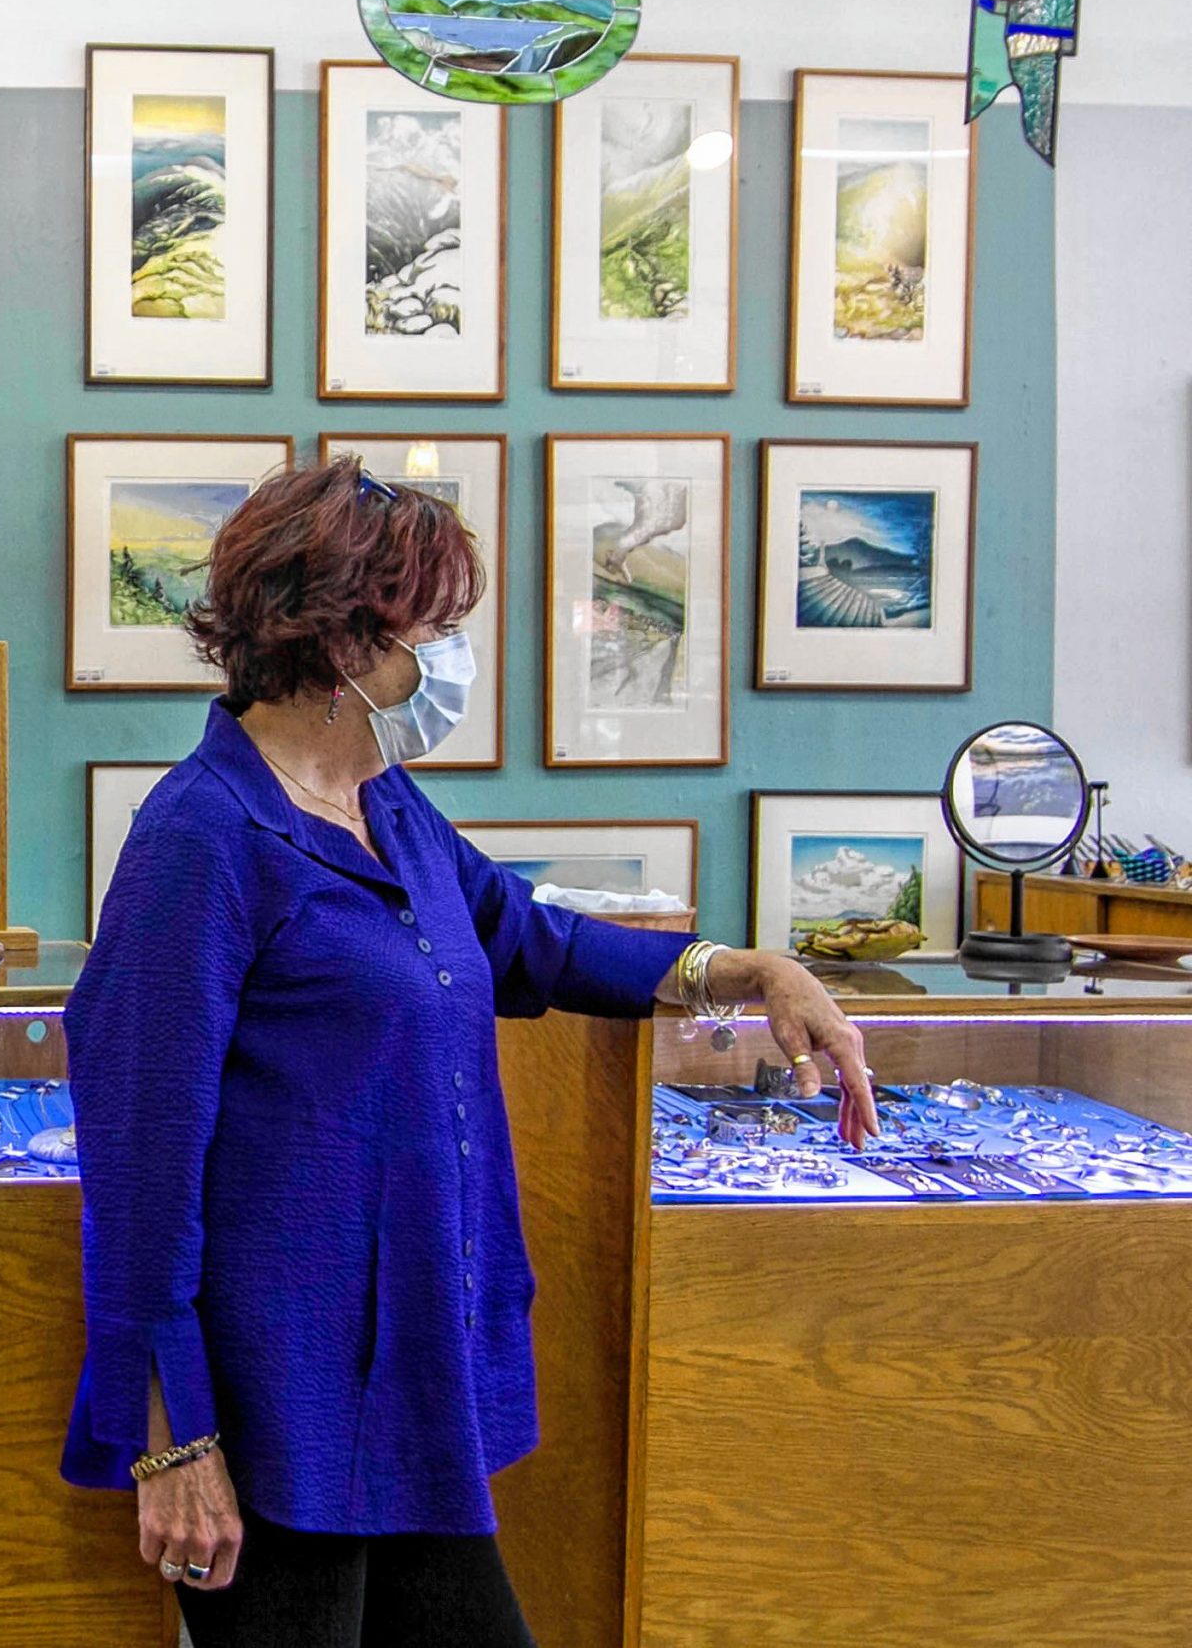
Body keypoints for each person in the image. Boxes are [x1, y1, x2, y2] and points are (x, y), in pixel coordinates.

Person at [61, 461, 875, 1647]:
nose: (451, 656)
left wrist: (739, 969)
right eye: (434, 629)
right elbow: (138, 1160)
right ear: (346, 642)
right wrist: (172, 1437)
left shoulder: (384, 807)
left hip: (406, 1383)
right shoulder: (201, 834)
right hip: (281, 1400)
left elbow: (526, 936)